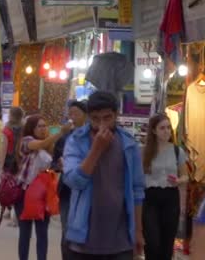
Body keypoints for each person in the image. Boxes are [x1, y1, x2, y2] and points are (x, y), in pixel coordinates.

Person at [63, 91, 146, 260]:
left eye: (107, 118)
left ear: (116, 115)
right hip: (83, 239)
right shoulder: (76, 141)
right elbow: (73, 181)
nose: (102, 125)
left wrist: (138, 231)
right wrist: (96, 150)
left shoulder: (128, 144)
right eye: (95, 119)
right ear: (88, 117)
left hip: (121, 239)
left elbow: (137, 191)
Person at [15, 115, 72, 260]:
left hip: (43, 195)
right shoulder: (27, 141)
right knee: (25, 232)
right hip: (25, 193)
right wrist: (60, 132)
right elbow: (39, 145)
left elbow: (49, 168)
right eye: (39, 126)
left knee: (42, 233)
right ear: (31, 128)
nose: (43, 129)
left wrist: (57, 166)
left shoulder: (49, 147)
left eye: (44, 126)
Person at [142, 114, 189, 260]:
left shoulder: (177, 151)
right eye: (162, 128)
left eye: (168, 128)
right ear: (154, 131)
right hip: (150, 198)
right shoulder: (144, 151)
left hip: (170, 197)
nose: (167, 131)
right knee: (152, 241)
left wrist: (178, 180)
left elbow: (186, 176)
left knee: (167, 241)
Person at [53, 101, 87, 260]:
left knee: (83, 231)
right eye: (70, 113)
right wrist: (58, 164)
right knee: (67, 231)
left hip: (85, 191)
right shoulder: (64, 137)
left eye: (76, 113)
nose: (72, 117)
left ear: (85, 116)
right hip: (67, 190)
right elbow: (53, 163)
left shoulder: (91, 138)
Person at [0, 106, 25, 225]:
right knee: (17, 188)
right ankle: (13, 214)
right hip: (20, 162)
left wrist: (0, 167)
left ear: (11, 115)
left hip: (8, 163)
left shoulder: (7, 130)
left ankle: (12, 215)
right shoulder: (24, 129)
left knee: (8, 189)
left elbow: (3, 149)